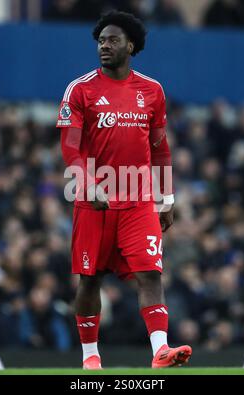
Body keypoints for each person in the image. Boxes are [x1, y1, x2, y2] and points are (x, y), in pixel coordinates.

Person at [56, 10, 192, 369]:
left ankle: (160, 351)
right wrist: (86, 183)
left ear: (131, 45)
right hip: (94, 200)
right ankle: (90, 357)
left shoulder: (152, 91)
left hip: (138, 200)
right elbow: (70, 146)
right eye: (101, 41)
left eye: (113, 40)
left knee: (151, 273)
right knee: (89, 279)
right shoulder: (80, 89)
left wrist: (167, 197)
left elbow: (160, 148)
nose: (104, 46)